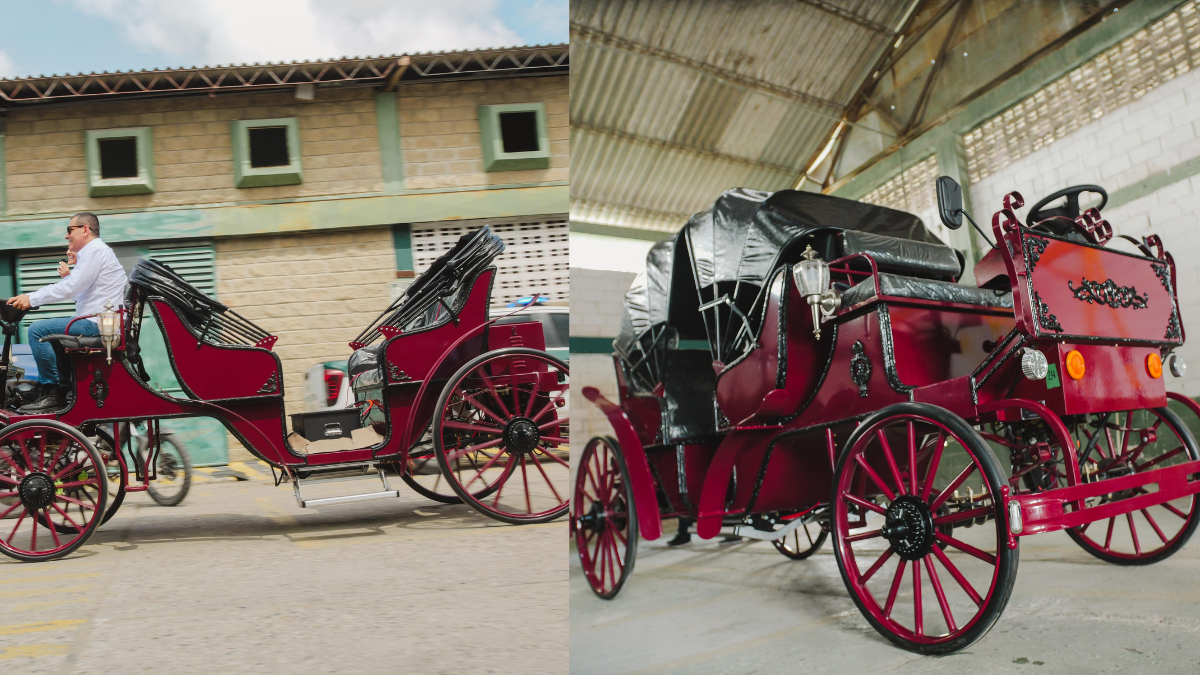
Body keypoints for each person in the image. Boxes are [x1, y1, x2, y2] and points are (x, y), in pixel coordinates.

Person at [6, 212, 127, 412]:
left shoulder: (95, 250)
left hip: (97, 324)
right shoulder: (95, 252)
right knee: (52, 337)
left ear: (85, 230)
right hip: (98, 321)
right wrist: (68, 278)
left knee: (37, 330)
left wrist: (31, 299)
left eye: (70, 230)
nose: (66, 235)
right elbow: (79, 292)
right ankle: (62, 388)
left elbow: (71, 288)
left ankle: (52, 392)